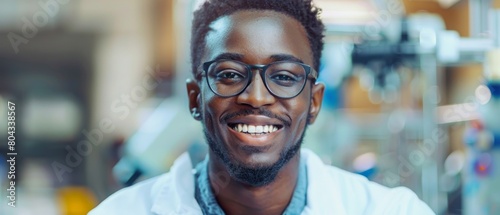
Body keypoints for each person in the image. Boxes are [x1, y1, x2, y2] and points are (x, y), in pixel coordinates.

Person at [89, 0, 435, 214]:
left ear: (314, 102)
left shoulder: (392, 210)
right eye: (229, 74)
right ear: (195, 98)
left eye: (284, 76)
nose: (255, 97)